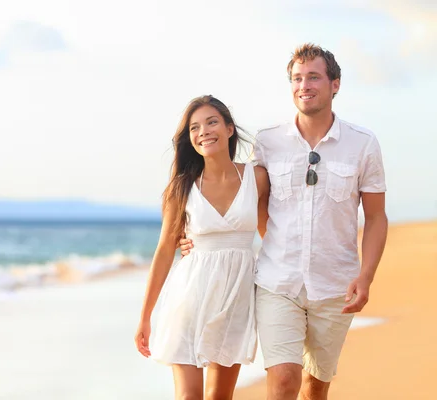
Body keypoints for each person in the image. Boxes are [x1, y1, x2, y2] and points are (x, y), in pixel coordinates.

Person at [179, 43, 389, 400]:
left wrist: (365, 277)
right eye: (296, 78)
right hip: (277, 283)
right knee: (285, 381)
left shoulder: (363, 144)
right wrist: (193, 233)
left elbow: (375, 217)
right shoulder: (268, 141)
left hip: (336, 285)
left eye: (313, 77)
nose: (303, 85)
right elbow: (243, 196)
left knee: (315, 388)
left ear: (334, 84)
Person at [134, 95, 270, 399]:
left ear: (230, 129)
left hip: (235, 299)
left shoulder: (256, 178)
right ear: (190, 139)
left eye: (212, 122)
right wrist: (145, 316)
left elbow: (270, 235)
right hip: (190, 295)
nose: (204, 131)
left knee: (220, 397)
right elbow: (165, 251)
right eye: (195, 127)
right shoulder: (181, 187)